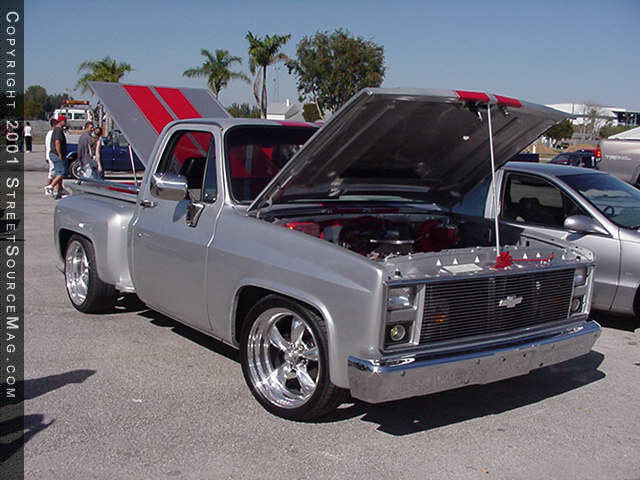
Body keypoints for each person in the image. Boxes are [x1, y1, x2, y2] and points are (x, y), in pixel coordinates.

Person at [48, 115, 70, 199]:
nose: (66, 122)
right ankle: (50, 186)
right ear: (61, 121)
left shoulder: (57, 130)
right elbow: (57, 142)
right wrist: (59, 154)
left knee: (58, 173)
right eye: (65, 121)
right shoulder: (58, 130)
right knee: (61, 172)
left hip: (54, 154)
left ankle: (60, 190)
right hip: (56, 155)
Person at [43, 118, 57, 196]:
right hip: (52, 155)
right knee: (52, 173)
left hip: (49, 155)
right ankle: (48, 187)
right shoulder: (52, 133)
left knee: (55, 172)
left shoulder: (49, 133)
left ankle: (59, 188)